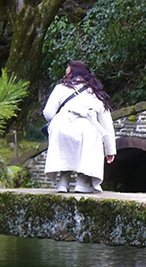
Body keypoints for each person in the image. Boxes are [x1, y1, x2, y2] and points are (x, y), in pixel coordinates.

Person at [42, 60, 116, 192]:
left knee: (64, 152)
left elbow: (48, 113)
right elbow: (107, 126)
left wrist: (58, 121)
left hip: (62, 123)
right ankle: (82, 182)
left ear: (71, 73)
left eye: (67, 72)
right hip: (86, 126)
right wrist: (110, 150)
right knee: (87, 148)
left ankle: (63, 183)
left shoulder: (61, 88)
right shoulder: (96, 93)